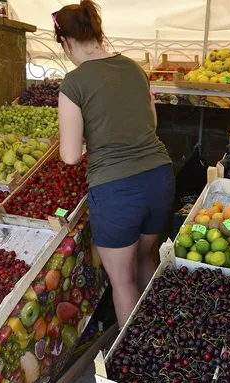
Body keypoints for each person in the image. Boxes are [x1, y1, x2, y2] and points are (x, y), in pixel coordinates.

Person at [52, 0, 174, 327]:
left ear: (65, 42)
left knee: (122, 281)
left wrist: (89, 135)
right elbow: (151, 122)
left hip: (117, 189)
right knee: (145, 260)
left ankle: (135, 361)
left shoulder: (73, 83)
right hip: (160, 178)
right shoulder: (134, 68)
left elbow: (70, 155)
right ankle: (160, 334)